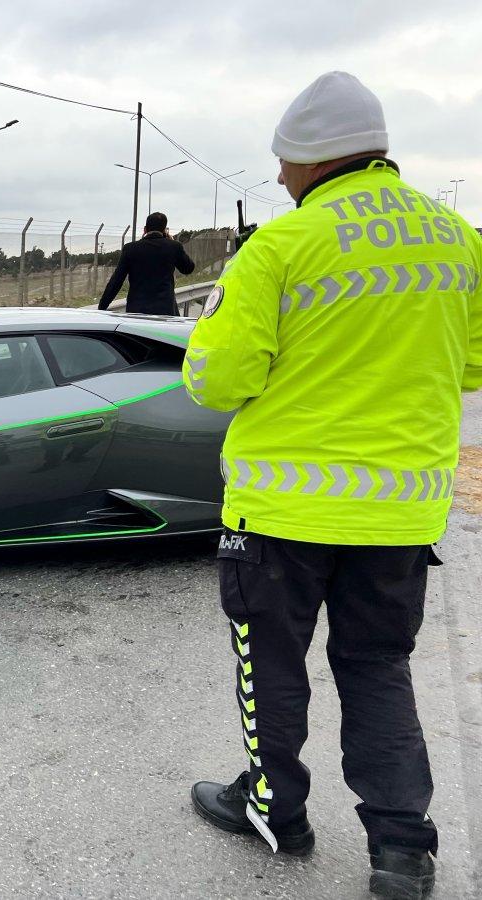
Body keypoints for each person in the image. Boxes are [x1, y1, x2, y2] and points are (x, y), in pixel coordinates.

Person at [183, 71, 482, 899]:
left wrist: (212, 337)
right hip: (398, 517)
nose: (279, 177)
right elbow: (474, 361)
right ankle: (401, 851)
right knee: (378, 667)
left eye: (283, 162)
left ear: (312, 160)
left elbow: (218, 380)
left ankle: (277, 811)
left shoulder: (281, 245)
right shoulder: (458, 238)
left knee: (271, 668)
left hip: (280, 513)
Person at [97, 211, 195, 314]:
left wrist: (101, 307)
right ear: (164, 230)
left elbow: (116, 281)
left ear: (145, 229)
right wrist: (173, 242)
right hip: (165, 311)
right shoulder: (173, 247)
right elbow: (188, 268)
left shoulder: (130, 249)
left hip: (136, 311)